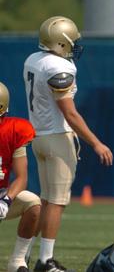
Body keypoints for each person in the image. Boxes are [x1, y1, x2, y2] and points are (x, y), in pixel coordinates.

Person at [23, 16, 113, 272]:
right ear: (60, 42)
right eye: (71, 42)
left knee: (45, 200)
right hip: (57, 138)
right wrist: (96, 143)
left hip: (38, 137)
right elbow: (70, 113)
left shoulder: (33, 60)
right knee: (57, 201)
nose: (74, 46)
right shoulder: (60, 68)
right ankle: (45, 261)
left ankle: (24, 256)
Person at [0, 81, 41, 272]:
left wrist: (6, 200)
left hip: (1, 194)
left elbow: (21, 177)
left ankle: (17, 261)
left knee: (33, 203)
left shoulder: (13, 130)